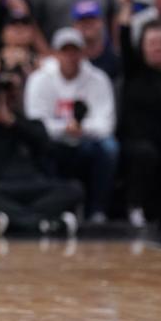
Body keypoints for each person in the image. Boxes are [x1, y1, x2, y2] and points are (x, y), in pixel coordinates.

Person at [0, 71, 82, 237]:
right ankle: (43, 224)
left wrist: (12, 122)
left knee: (74, 189)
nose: (6, 97)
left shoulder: (31, 123)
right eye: (1, 93)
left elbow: (47, 149)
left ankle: (11, 221)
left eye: (11, 91)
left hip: (33, 185)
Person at [24, 27, 118, 223]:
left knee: (110, 148)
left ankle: (97, 211)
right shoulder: (39, 79)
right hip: (53, 142)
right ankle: (52, 210)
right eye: (65, 51)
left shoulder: (98, 79)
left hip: (87, 140)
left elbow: (107, 123)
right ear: (55, 54)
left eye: (74, 50)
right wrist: (64, 128)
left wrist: (82, 129)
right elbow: (35, 121)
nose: (70, 56)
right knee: (36, 146)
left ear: (83, 53)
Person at [120, 21, 161, 230]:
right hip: (138, 141)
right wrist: (126, 13)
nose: (157, 47)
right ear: (142, 48)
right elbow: (124, 39)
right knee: (145, 154)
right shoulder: (134, 70)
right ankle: (135, 207)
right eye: (152, 43)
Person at [71, 0, 120, 80]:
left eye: (91, 20)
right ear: (75, 25)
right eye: (82, 21)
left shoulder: (114, 57)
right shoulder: (68, 58)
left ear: (101, 22)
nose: (87, 24)